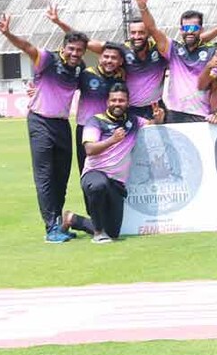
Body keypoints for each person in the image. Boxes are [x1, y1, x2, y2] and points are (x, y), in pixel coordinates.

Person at [0, 13, 87, 243]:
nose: (75, 53)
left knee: (62, 177)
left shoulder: (79, 70)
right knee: (45, 176)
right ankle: (51, 228)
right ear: (63, 48)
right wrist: (8, 33)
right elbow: (27, 46)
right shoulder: (48, 60)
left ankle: (59, 223)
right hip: (40, 122)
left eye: (79, 50)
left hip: (62, 123)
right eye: (71, 49)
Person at [61, 84, 164, 244]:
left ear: (128, 103)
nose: (117, 104)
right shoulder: (95, 121)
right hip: (94, 173)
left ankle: (72, 219)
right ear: (107, 102)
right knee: (98, 186)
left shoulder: (133, 121)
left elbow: (150, 126)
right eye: (114, 100)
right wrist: (112, 140)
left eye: (121, 101)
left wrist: (158, 119)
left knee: (113, 233)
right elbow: (89, 149)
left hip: (116, 182)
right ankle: (98, 233)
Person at [45, 4, 166, 119]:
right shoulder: (122, 50)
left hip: (155, 107)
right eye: (133, 33)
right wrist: (59, 22)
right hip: (130, 110)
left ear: (149, 33)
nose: (136, 36)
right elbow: (84, 41)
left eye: (141, 32)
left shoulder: (160, 49)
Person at [132, 0, 217, 123]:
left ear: (201, 29)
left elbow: (214, 87)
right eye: (186, 28)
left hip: (201, 116)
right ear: (181, 30)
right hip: (175, 114)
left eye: (194, 28)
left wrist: (214, 112)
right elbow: (152, 28)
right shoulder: (173, 49)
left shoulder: (211, 52)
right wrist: (142, 6)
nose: (189, 31)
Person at [73, 44, 126, 172]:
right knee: (87, 170)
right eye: (106, 57)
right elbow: (65, 87)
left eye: (113, 58)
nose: (109, 60)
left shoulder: (121, 77)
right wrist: (37, 88)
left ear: (120, 61)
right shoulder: (87, 74)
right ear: (99, 58)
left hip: (111, 129)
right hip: (86, 129)